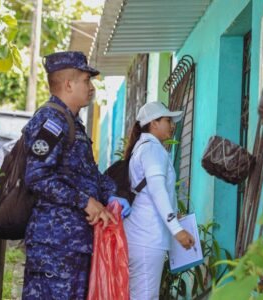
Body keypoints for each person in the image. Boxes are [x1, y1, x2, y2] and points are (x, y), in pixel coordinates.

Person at [21, 51, 130, 300]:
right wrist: (85, 201)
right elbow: (37, 176)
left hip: (74, 244)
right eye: (86, 80)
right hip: (54, 245)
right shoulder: (51, 121)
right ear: (69, 84)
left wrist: (112, 194)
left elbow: (87, 174)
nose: (90, 88)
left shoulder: (73, 123)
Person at [123, 101, 196, 300]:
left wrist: (173, 213)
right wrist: (177, 229)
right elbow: (157, 191)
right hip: (147, 239)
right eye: (167, 120)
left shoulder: (143, 147)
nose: (172, 125)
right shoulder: (152, 149)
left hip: (141, 237)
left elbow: (151, 194)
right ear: (153, 123)